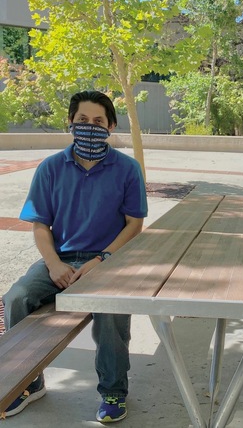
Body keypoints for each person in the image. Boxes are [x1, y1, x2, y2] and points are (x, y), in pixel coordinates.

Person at [2, 91, 148, 423]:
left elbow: (134, 224)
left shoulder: (127, 169)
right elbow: (40, 226)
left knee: (109, 308)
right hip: (62, 256)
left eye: (98, 121)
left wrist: (102, 260)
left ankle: (114, 390)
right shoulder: (51, 168)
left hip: (107, 258)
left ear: (111, 126)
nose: (90, 127)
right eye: (82, 120)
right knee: (17, 298)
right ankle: (28, 382)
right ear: (70, 123)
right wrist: (54, 264)